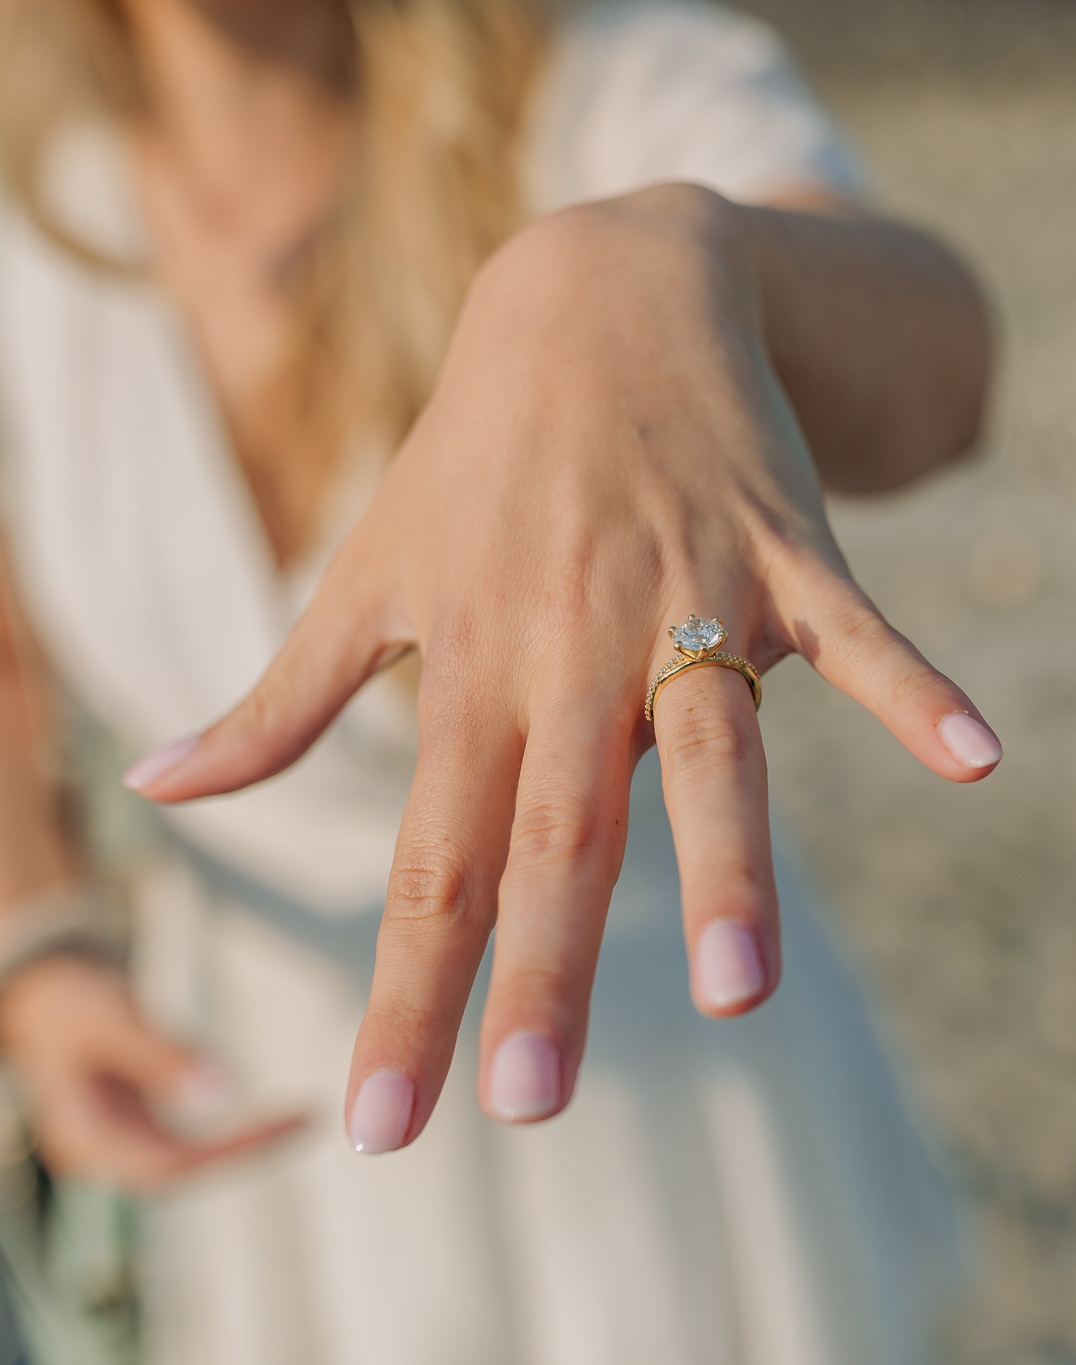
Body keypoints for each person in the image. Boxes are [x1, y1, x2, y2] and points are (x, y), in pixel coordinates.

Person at [0, 0, 1000, 1359]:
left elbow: (946, 368)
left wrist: (689, 257)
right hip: (254, 1093)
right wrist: (41, 942)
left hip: (652, 1089)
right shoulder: (37, 197)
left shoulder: (605, 90)